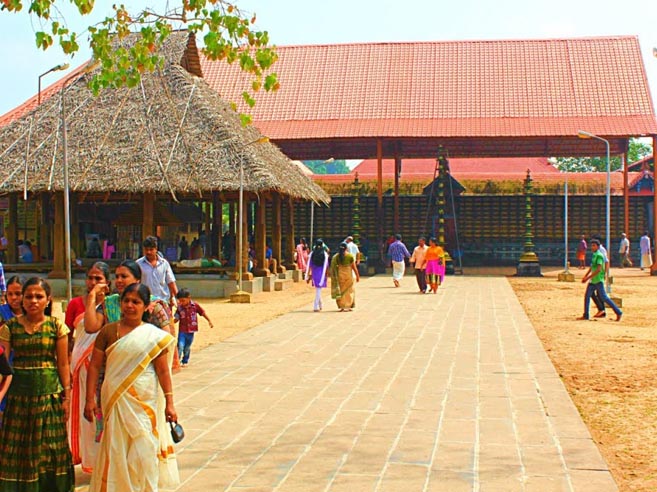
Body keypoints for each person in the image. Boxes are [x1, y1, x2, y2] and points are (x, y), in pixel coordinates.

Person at [84, 283, 180, 491]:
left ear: (146, 306)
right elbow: (94, 367)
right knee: (116, 445)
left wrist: (170, 403)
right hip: (115, 398)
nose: (129, 305)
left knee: (144, 443)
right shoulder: (108, 332)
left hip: (144, 399)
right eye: (126, 301)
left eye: (135, 302)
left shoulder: (153, 336)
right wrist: (89, 399)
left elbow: (163, 371)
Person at [0, 277, 75, 491]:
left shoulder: (56, 327)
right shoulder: (10, 328)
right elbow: (2, 366)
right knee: (19, 447)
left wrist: (67, 397)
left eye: (39, 297)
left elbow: (62, 363)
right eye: (29, 296)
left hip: (49, 395)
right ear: (22, 300)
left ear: (48, 300)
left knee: (50, 447)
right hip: (18, 397)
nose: (33, 301)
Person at [84, 259, 180, 370]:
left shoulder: (152, 305)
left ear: (137, 280)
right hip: (115, 368)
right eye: (117, 276)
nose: (119, 280)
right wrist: (92, 296)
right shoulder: (109, 304)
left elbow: (166, 341)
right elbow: (90, 327)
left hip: (145, 368)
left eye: (124, 277)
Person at [67, 262, 111, 474]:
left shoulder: (112, 305)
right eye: (90, 278)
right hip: (79, 367)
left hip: (101, 368)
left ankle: (104, 462)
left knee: (101, 414)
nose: (93, 283)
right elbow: (69, 336)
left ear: (107, 283)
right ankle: (89, 461)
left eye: (98, 279)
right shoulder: (75, 304)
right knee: (85, 416)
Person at [578, 239, 622, 322]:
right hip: (593, 280)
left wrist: (587, 277)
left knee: (604, 297)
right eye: (592, 245)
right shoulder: (595, 255)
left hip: (598, 280)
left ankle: (618, 312)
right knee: (587, 296)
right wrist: (586, 276)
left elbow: (598, 269)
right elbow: (592, 267)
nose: (592, 247)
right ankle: (586, 315)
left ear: (598, 246)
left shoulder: (599, 256)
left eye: (594, 245)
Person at [174, 288, 213, 367]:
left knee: (187, 347)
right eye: (180, 301)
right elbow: (176, 318)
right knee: (180, 346)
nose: (181, 303)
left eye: (183, 300)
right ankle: (177, 361)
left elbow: (202, 313)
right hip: (182, 330)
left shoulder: (195, 306)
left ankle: (185, 360)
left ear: (189, 298)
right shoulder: (179, 308)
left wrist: (209, 321)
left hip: (191, 331)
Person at [137, 235, 178, 309]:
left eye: (151, 249)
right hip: (146, 304)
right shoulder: (138, 264)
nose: (148, 252)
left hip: (163, 302)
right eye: (146, 249)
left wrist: (176, 298)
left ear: (156, 249)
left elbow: (171, 282)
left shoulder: (164, 263)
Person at [330, 242, 360, 312]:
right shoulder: (350, 256)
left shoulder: (336, 257)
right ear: (346, 248)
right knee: (349, 290)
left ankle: (342, 306)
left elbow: (333, 267)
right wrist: (357, 275)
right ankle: (348, 305)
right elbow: (354, 267)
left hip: (340, 274)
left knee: (341, 290)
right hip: (348, 274)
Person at [306, 239, 330, 312]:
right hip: (321, 273)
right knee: (318, 290)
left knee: (318, 289)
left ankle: (320, 304)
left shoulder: (312, 254)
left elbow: (309, 265)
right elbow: (326, 265)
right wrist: (327, 273)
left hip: (315, 273)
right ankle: (315, 306)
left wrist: (308, 275)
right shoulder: (325, 254)